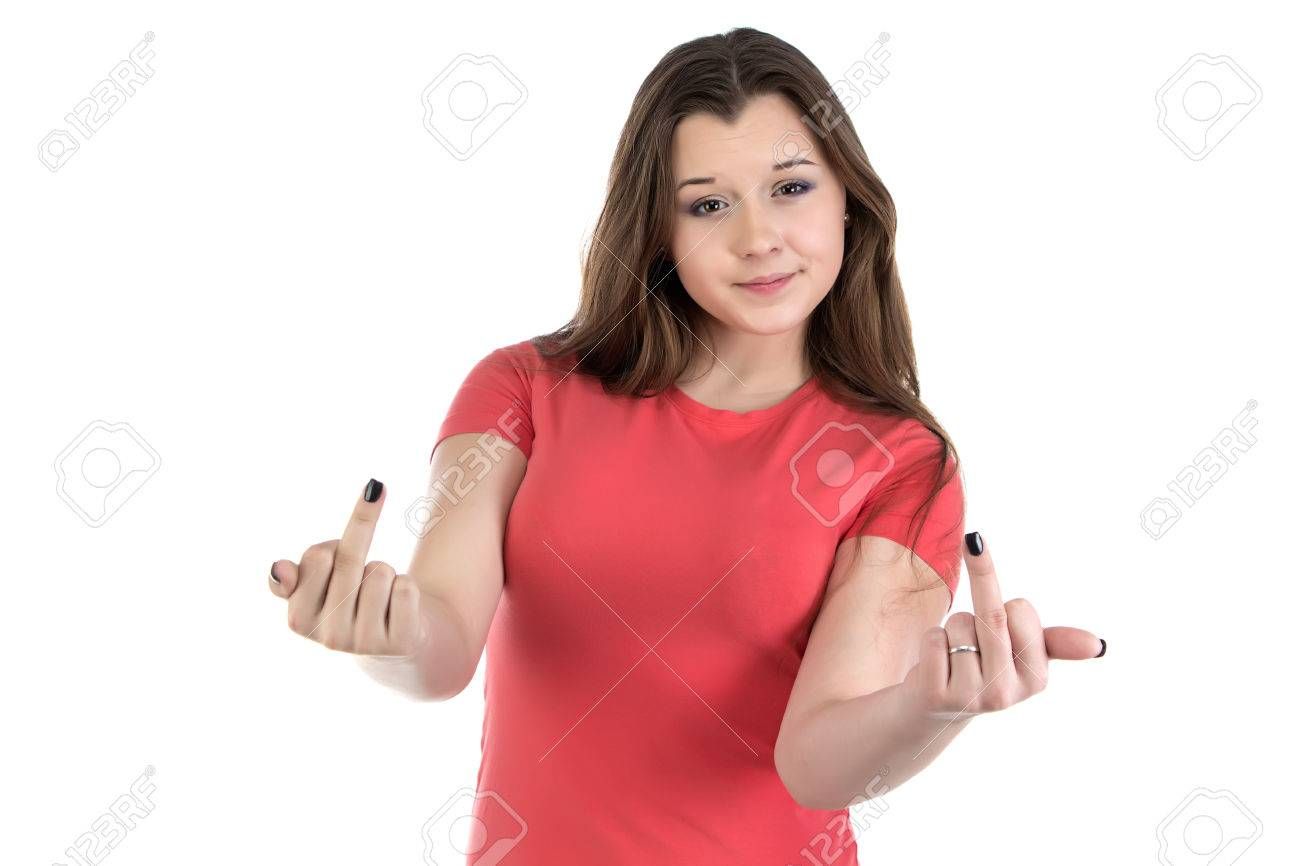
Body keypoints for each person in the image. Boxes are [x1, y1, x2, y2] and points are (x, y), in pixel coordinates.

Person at [266, 26, 1105, 864]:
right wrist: (380, 634)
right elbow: (440, 648)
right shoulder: (522, 390)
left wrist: (929, 706)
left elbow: (817, 764)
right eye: (708, 203)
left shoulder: (900, 460)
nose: (758, 238)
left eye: (791, 187)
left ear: (847, 194)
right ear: (658, 228)